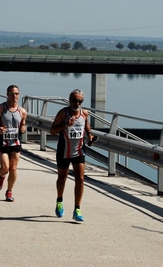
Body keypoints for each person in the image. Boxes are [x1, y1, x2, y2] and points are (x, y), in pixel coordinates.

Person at [50, 89, 97, 221]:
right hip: (64, 151)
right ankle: (59, 201)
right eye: (74, 100)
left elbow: (87, 127)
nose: (77, 103)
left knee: (80, 179)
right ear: (69, 99)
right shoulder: (62, 113)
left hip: (79, 151)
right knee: (62, 178)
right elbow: (52, 130)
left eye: (80, 101)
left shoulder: (84, 113)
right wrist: (65, 125)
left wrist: (90, 136)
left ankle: (77, 209)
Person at [0, 85, 27, 202]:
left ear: (19, 95)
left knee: (14, 168)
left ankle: (9, 192)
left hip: (15, 143)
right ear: (7, 95)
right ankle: (1, 177)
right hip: (3, 143)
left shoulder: (22, 112)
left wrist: (23, 129)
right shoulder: (0, 108)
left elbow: (23, 126)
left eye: (16, 94)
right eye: (12, 94)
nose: (14, 96)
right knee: (5, 168)